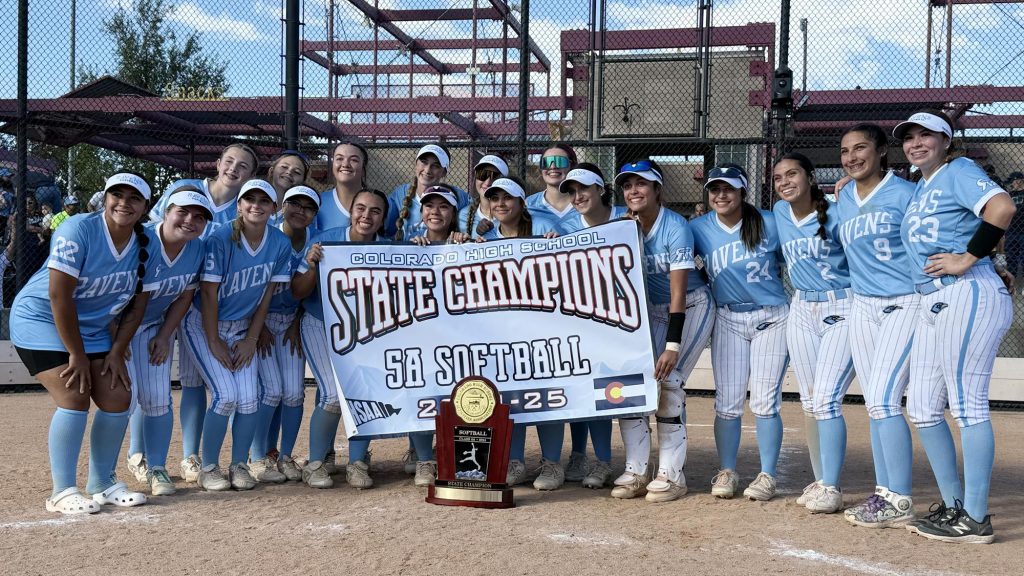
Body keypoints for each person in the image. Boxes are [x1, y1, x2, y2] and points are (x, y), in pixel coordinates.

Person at [895, 110, 1015, 543]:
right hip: (936, 300)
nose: (916, 142)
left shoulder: (958, 169)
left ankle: (976, 518)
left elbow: (1002, 207)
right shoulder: (920, 188)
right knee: (923, 406)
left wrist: (971, 258)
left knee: (967, 406)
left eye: (927, 134)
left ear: (947, 141)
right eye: (909, 137)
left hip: (965, 293)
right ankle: (954, 507)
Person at [9, 172, 152, 514]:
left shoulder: (148, 244)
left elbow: (140, 301)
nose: (124, 203)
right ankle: (62, 491)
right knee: (74, 394)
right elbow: (59, 296)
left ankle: (102, 483)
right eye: (116, 194)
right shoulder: (78, 229)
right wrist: (77, 354)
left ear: (145, 207)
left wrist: (117, 350)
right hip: (40, 318)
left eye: (134, 198)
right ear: (104, 197)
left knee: (119, 395)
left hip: (92, 327)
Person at [147, 143, 260, 485]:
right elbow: (153, 233)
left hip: (198, 301)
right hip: (169, 299)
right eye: (229, 161)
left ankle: (192, 458)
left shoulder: (240, 212)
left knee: (197, 383)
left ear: (250, 175)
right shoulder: (186, 189)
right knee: (157, 381)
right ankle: (146, 456)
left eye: (243, 166)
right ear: (218, 162)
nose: (233, 169)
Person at [610, 160, 716, 503]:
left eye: (642, 184)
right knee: (632, 386)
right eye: (627, 186)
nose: (633, 191)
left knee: (669, 383)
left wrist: (672, 345)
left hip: (690, 306)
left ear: (658, 190)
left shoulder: (674, 227)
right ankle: (636, 469)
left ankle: (672, 475)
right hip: (648, 314)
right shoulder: (623, 226)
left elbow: (678, 294)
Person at [180, 179, 292, 491]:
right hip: (203, 324)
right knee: (225, 395)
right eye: (249, 200)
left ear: (274, 208)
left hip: (243, 327)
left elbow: (266, 297)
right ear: (239, 205)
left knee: (249, 398)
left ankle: (239, 464)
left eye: (263, 201)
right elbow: (209, 292)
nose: (256, 206)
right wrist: (214, 340)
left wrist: (252, 339)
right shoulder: (221, 235)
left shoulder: (279, 243)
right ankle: (209, 467)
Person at [834, 123, 920, 528]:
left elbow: (938, 233)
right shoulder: (842, 197)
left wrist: (987, 263)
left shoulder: (907, 194)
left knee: (886, 398)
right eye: (845, 151)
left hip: (904, 302)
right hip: (862, 306)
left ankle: (900, 498)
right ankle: (885, 492)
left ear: (882, 151)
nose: (851, 157)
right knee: (875, 404)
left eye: (861, 148)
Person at [690, 164, 789, 501]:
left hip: (772, 318)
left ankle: (767, 475)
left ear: (742, 192)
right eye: (715, 189)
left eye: (729, 189)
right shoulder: (699, 228)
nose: (721, 195)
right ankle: (728, 470)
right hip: (729, 318)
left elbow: (799, 254)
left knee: (764, 401)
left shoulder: (769, 222)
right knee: (727, 403)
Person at [772, 153, 854, 514]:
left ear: (810, 176)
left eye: (792, 174)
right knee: (808, 400)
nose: (785, 182)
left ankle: (832, 487)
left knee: (826, 399)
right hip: (801, 307)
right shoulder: (778, 212)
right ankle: (822, 481)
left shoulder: (838, 211)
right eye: (778, 177)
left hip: (843, 305)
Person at [291, 188, 390, 489]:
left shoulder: (387, 249)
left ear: (383, 217)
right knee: (333, 395)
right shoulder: (325, 239)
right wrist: (310, 265)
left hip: (365, 329)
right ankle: (316, 462)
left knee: (365, 390)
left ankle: (358, 461)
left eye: (375, 211)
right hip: (320, 322)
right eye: (360, 208)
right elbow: (298, 291)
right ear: (351, 210)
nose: (366, 216)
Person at [122, 188, 214, 495]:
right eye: (183, 212)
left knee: (159, 399)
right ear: (166, 211)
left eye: (199, 217)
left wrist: (164, 335)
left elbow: (186, 295)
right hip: (116, 328)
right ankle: (110, 472)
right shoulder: (141, 240)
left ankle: (157, 469)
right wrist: (115, 342)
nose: (190, 221)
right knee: (122, 400)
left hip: (152, 328)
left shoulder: (196, 248)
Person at [479, 177, 565, 489]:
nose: (500, 204)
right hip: (504, 331)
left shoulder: (544, 226)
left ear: (521, 202)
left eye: (508, 198)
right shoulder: (487, 238)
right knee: (510, 397)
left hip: (544, 327)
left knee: (546, 396)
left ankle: (552, 464)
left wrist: (560, 245)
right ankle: (514, 461)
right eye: (495, 198)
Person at [557, 164, 627, 489]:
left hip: (623, 320)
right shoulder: (566, 226)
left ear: (601, 189)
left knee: (606, 389)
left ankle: (603, 461)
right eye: (572, 191)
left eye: (584, 189)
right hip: (582, 317)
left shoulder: (626, 217)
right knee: (581, 390)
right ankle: (578, 455)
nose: (578, 196)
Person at [249, 185, 319, 484]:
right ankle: (257, 457)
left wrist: (297, 323)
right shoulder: (269, 236)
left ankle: (286, 455)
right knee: (271, 391)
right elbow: (250, 285)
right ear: (282, 206)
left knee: (293, 392)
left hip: (290, 320)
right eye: (294, 204)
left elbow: (306, 292)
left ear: (315, 213)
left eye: (308, 206)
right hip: (258, 321)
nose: (300, 211)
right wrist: (258, 325)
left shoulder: (315, 243)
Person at [406, 185, 471, 486]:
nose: (435, 211)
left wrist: (469, 246)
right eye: (429, 205)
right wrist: (411, 249)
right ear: (421, 212)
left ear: (454, 213)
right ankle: (423, 460)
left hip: (459, 335)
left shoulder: (465, 244)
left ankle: (462, 455)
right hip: (422, 334)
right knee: (421, 395)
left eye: (443, 206)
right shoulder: (409, 245)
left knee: (462, 395)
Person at [390, 144, 470, 240]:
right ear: (416, 164)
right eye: (424, 162)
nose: (428, 170)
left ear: (444, 172)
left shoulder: (456, 195)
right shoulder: (400, 194)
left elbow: (480, 212)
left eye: (435, 166)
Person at [459, 154, 509, 239]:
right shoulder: (463, 216)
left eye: (495, 177)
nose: (487, 182)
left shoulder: (512, 214)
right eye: (482, 175)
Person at [526, 144, 577, 221]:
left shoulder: (584, 202)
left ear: (572, 166)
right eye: (546, 162)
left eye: (560, 161)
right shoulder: (529, 204)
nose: (552, 167)